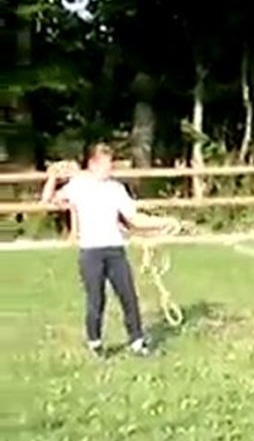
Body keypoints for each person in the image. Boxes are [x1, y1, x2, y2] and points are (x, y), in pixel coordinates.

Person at [40, 143, 179, 358]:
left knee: (128, 296)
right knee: (96, 299)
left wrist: (164, 222)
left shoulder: (116, 189)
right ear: (92, 164)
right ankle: (95, 342)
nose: (110, 169)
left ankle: (137, 341)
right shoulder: (78, 186)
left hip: (115, 250)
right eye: (106, 164)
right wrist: (52, 177)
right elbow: (47, 200)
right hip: (91, 252)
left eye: (110, 164)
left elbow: (134, 219)